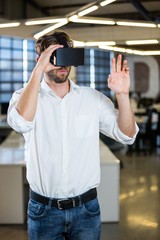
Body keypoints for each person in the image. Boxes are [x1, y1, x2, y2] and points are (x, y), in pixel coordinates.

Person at [7, 31, 139, 240]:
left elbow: (127, 135)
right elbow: (21, 122)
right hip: (43, 210)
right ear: (40, 60)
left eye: (64, 56)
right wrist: (38, 69)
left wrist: (122, 95)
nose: (60, 63)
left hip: (86, 209)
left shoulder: (91, 98)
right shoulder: (24, 97)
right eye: (52, 56)